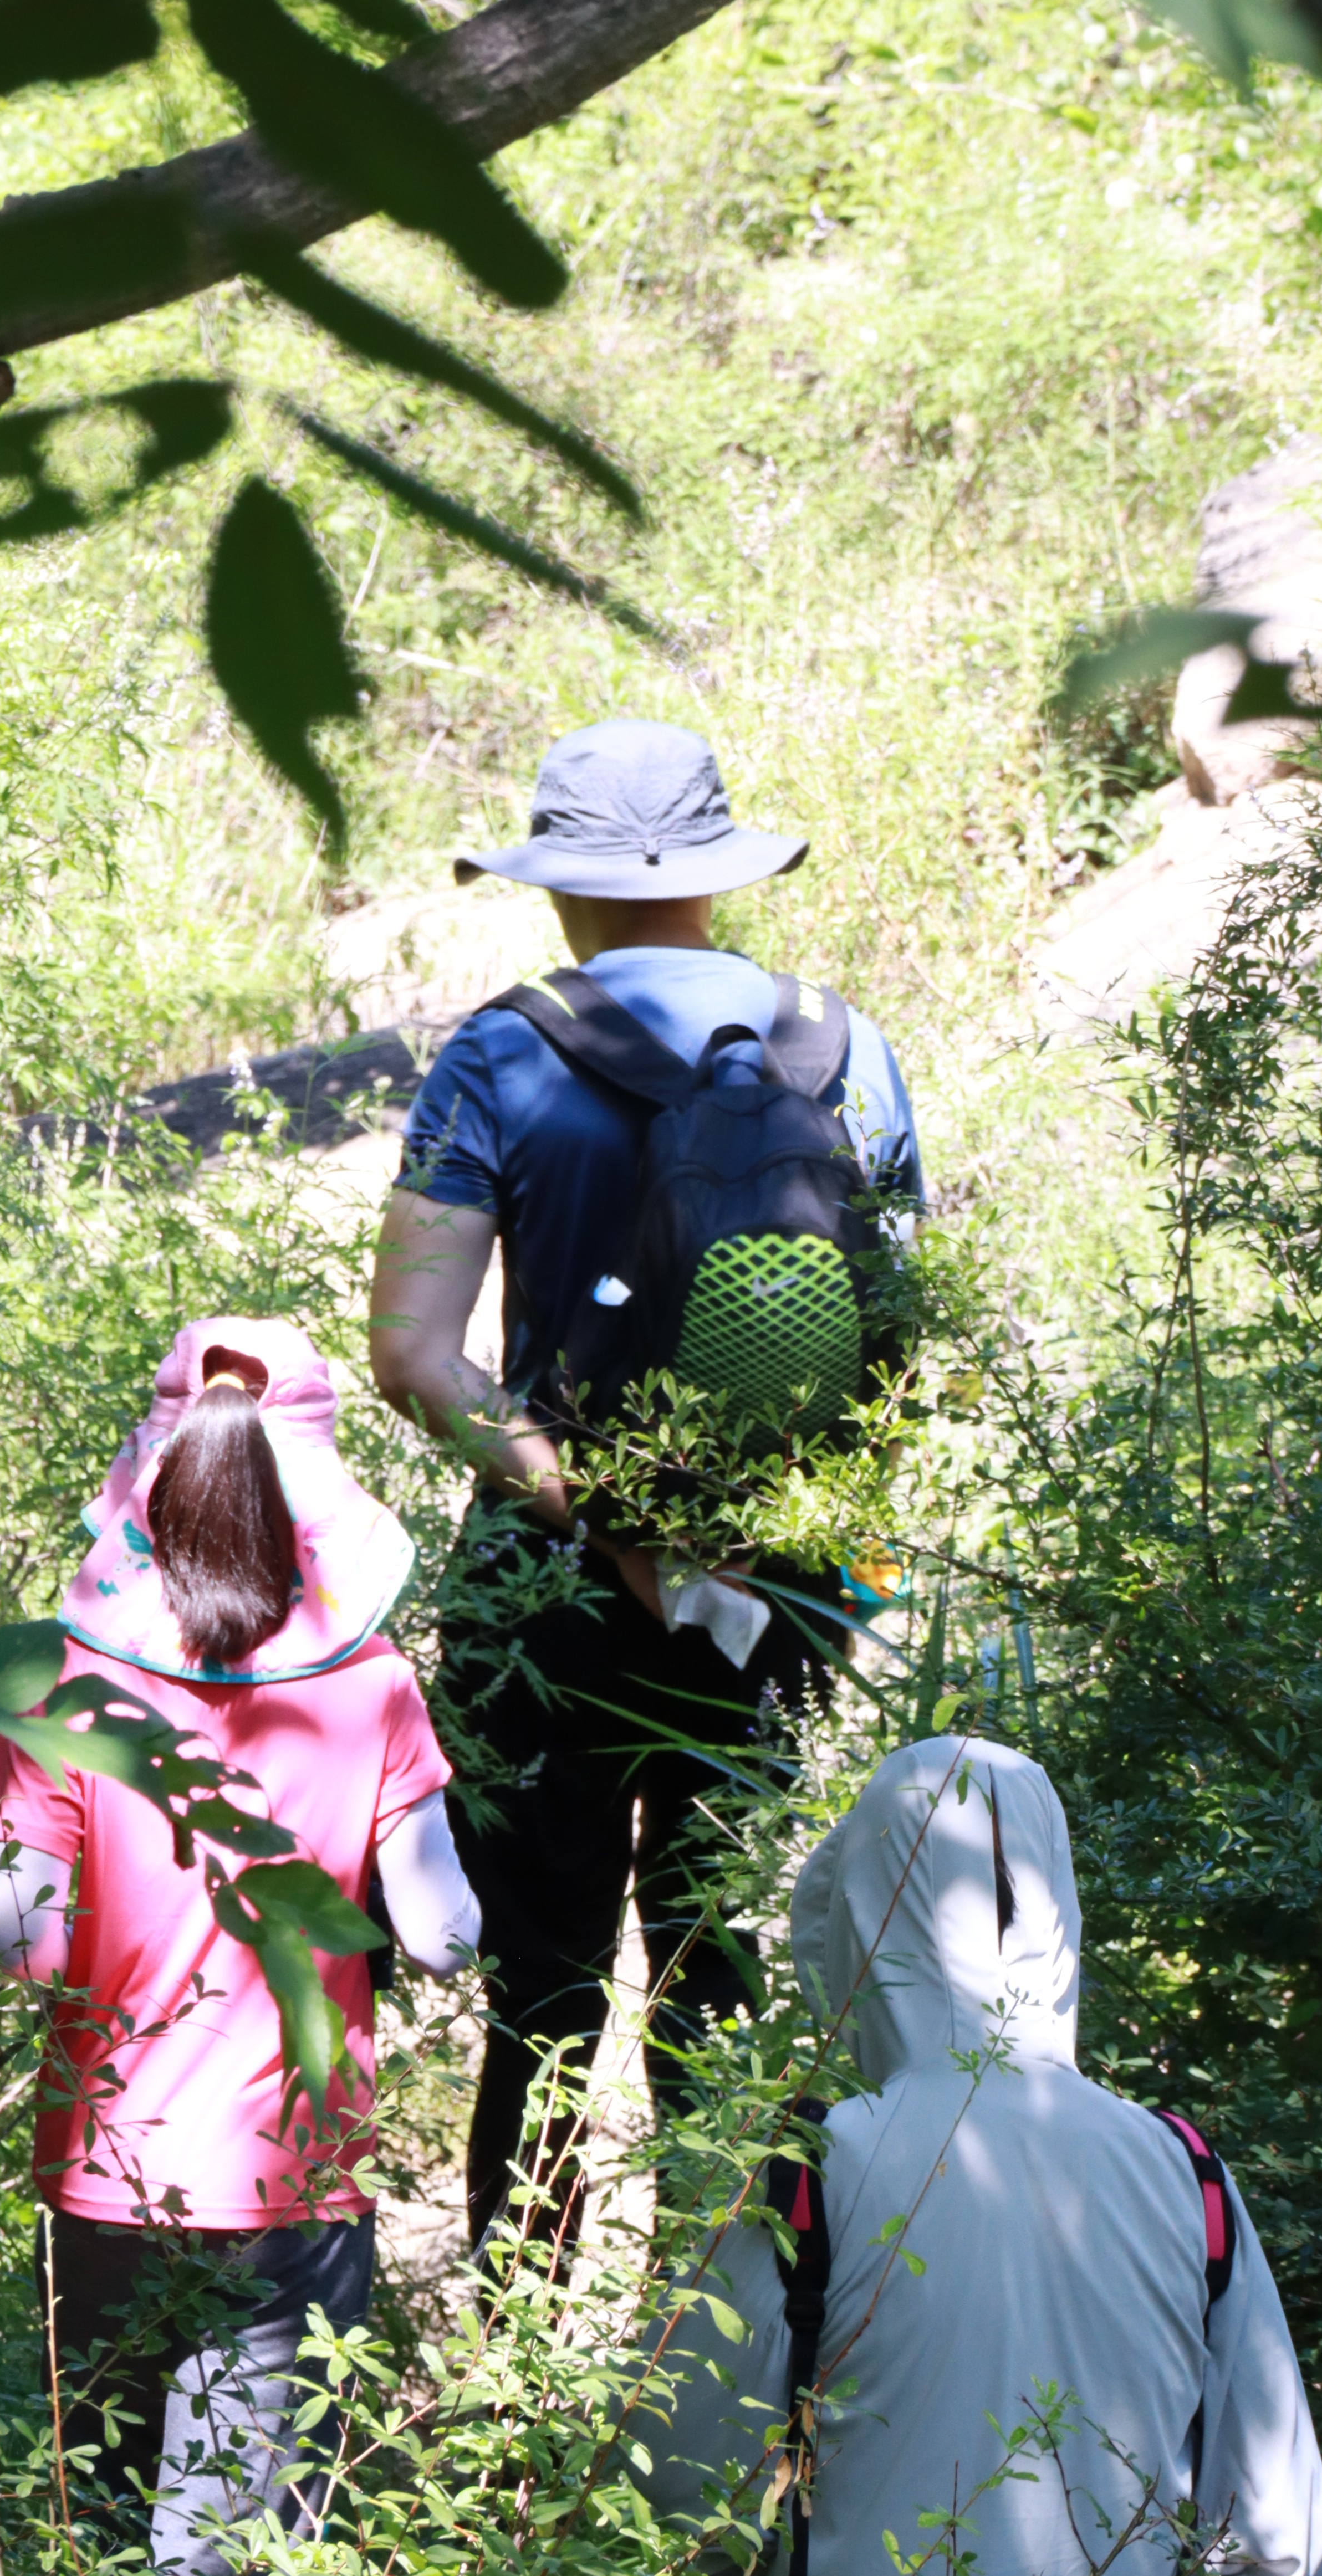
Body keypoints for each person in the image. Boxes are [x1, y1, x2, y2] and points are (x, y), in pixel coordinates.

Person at [640, 1734, 1322, 2576]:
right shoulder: (1184, 2175)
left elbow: (679, 2476)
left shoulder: (810, 2171)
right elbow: (1282, 2535)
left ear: (859, 1910)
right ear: (1062, 1909)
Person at [368, 716, 922, 2254]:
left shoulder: (502, 1047)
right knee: (724, 1973)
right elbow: (895, 1348)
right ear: (710, 870)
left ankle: (516, 2370)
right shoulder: (838, 1046)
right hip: (774, 1591)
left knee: (539, 1983)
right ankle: (736, 2372)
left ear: (558, 875)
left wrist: (598, 1515)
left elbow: (415, 1355)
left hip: (548, 1587)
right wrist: (752, 1553)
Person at [0, 1316, 478, 2576]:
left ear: (153, 1478)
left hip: (106, 2165)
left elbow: (16, 1934)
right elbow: (440, 1933)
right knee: (235, 2550)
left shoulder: (70, 1685)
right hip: (289, 2181)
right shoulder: (373, 1689)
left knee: (112, 2509)